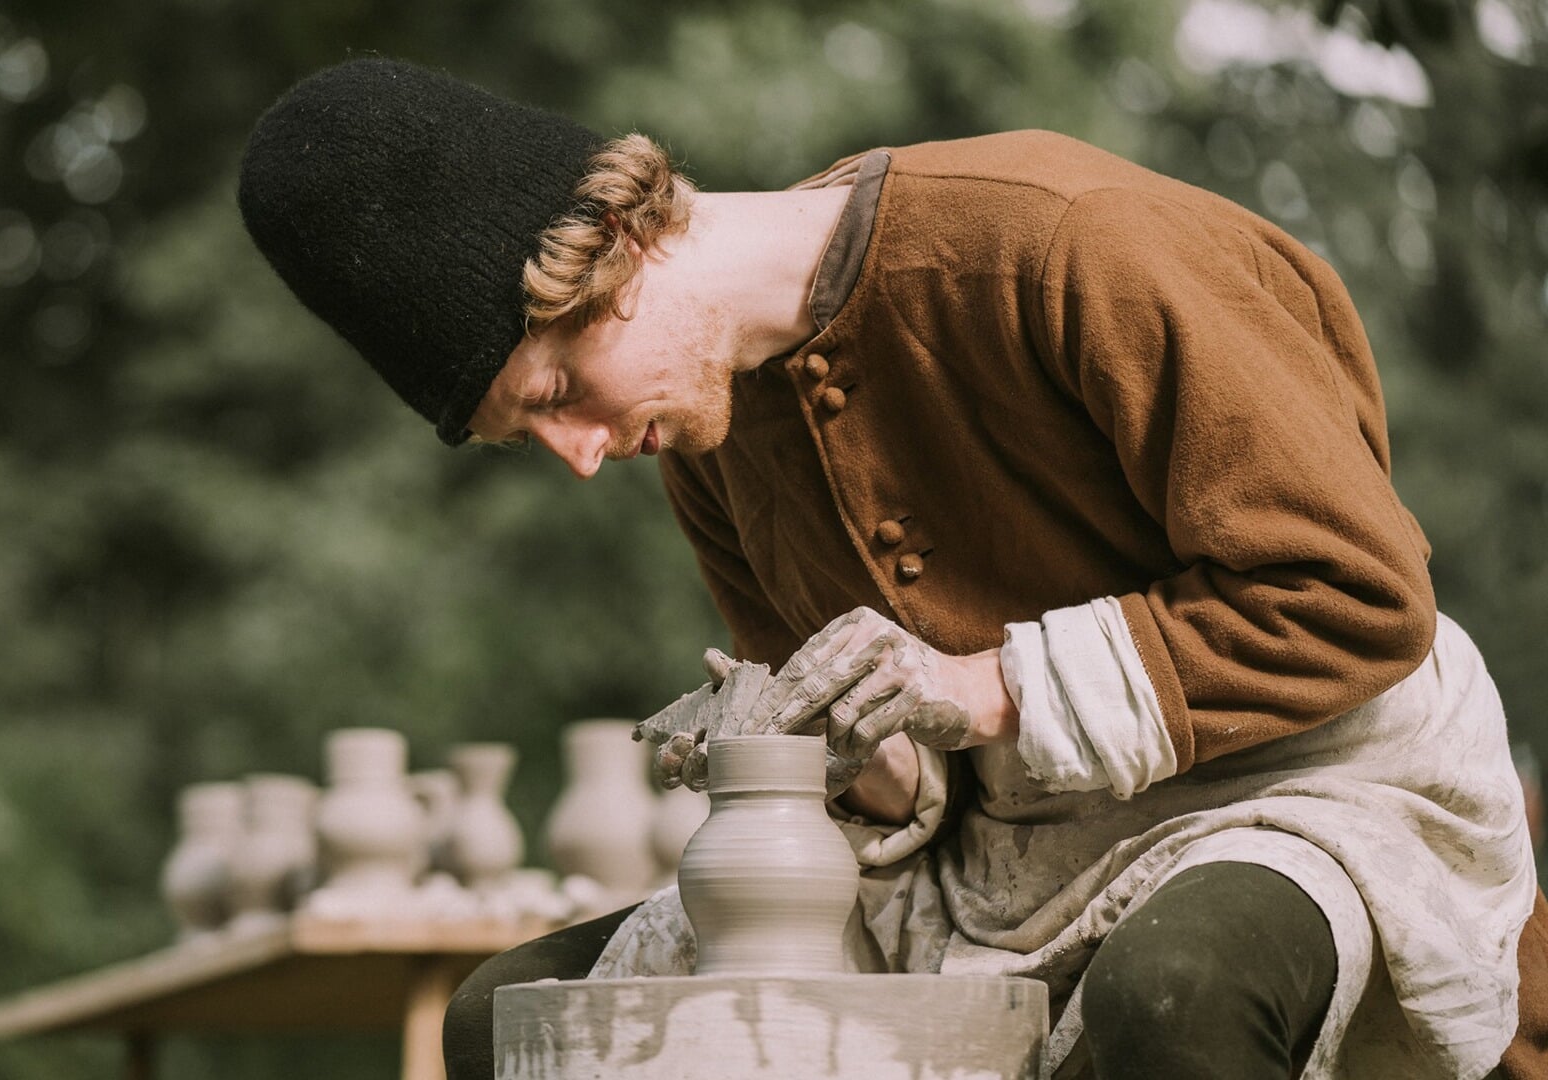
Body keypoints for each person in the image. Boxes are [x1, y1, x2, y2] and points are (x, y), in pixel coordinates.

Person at [238, 57, 1547, 1079]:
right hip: (997, 864)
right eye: (529, 434)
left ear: (611, 255)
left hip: (1310, 781)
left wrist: (986, 692)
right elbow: (898, 787)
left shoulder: (1067, 244)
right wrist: (825, 750)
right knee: (507, 1019)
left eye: (558, 392)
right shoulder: (705, 441)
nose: (580, 454)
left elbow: (1363, 599)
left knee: (1175, 994)